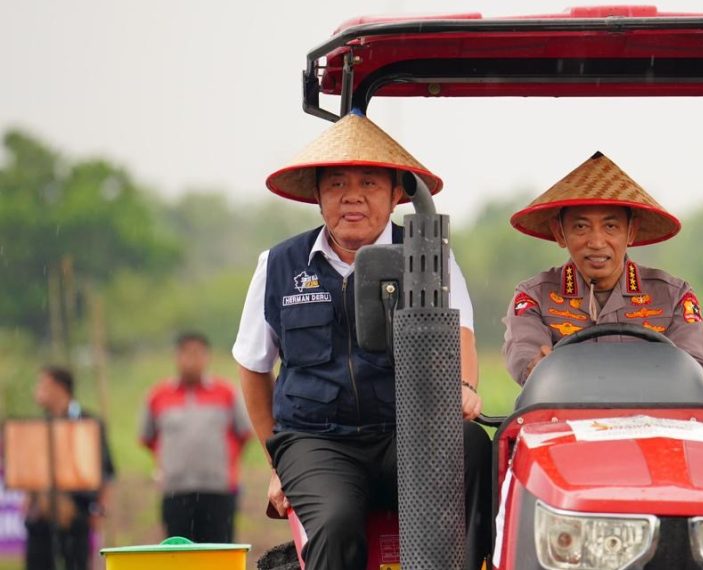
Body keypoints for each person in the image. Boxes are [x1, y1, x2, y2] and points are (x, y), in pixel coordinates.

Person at [232, 111, 491, 570]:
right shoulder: (278, 265)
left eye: (369, 183)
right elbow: (253, 366)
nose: (352, 196)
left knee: (472, 445)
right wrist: (277, 459)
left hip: (407, 435)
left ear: (395, 195)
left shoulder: (429, 258)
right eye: (336, 184)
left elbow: (462, 334)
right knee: (334, 523)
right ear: (317, 195)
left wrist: (465, 389)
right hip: (317, 442)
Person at [503, 151, 703, 384]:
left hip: (652, 418)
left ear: (631, 231)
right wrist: (535, 368)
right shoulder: (533, 297)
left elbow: (693, 377)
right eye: (581, 227)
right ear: (560, 232)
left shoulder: (675, 297)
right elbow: (525, 359)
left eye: (611, 226)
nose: (597, 242)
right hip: (563, 415)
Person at [140, 332, 251, 543]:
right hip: (176, 492)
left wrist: (226, 463)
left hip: (218, 490)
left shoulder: (226, 392)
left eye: (198, 354)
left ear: (207, 357)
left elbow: (244, 433)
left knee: (219, 554)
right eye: (186, 354)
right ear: (176, 357)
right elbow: (148, 438)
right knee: (179, 555)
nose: (192, 360)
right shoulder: (158, 395)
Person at [23, 366, 115, 570]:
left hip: (77, 512)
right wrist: (32, 498)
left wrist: (99, 508)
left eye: (43, 385)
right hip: (43, 514)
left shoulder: (88, 423)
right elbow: (31, 469)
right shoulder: (38, 425)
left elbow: (106, 470)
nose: (37, 391)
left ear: (59, 388)